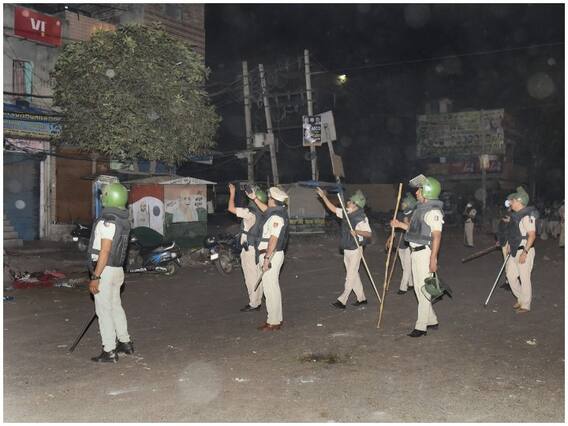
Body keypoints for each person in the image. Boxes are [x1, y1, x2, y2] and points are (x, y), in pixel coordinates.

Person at [391, 176, 443, 337]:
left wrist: (433, 259)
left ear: (427, 192)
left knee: (423, 290)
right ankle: (432, 320)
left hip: (424, 253)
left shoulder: (433, 211)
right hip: (415, 253)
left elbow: (436, 236)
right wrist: (399, 225)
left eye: (420, 189)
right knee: (419, 290)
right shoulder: (420, 209)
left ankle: (421, 327)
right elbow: (414, 230)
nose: (416, 192)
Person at [87, 182, 133, 363]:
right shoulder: (123, 220)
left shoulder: (107, 221)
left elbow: (104, 251)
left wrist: (95, 277)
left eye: (104, 194)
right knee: (115, 307)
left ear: (108, 197)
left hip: (105, 271)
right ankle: (125, 342)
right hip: (118, 269)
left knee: (104, 311)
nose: (101, 197)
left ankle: (109, 351)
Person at [316, 188, 372, 309]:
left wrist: (357, 232)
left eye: (350, 202)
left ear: (356, 205)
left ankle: (342, 300)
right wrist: (324, 197)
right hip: (347, 247)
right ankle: (362, 298)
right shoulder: (347, 213)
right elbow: (333, 209)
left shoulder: (361, 218)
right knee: (353, 274)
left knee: (350, 276)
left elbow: (368, 234)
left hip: (356, 249)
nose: (348, 202)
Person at [250, 187, 289, 331]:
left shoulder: (276, 217)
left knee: (270, 289)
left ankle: (273, 321)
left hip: (271, 254)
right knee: (272, 287)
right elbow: (266, 209)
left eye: (269, 198)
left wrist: (267, 259)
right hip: (271, 254)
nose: (268, 199)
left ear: (273, 200)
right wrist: (255, 198)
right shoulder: (276, 212)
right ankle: (276, 318)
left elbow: (273, 239)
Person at [227, 183, 267, 312]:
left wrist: (232, 193)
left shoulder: (250, 213)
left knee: (250, 277)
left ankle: (254, 304)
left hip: (249, 249)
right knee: (258, 275)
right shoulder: (264, 212)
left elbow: (231, 208)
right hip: (259, 247)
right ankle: (258, 300)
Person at [503, 186, 538, 314]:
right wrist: (508, 244)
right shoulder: (516, 216)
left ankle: (526, 305)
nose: (510, 203)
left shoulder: (527, 216)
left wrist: (525, 252)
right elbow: (514, 233)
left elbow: (532, 235)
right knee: (510, 276)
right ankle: (521, 298)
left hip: (524, 250)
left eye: (512, 201)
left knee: (524, 278)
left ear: (519, 201)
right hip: (514, 250)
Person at [386, 193, 416, 295]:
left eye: (404, 203)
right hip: (400, 243)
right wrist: (390, 238)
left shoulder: (414, 215)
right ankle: (411, 283)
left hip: (408, 245)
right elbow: (395, 228)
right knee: (405, 266)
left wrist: (406, 222)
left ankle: (403, 287)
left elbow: (413, 230)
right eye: (402, 202)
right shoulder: (400, 214)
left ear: (410, 204)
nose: (402, 204)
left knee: (406, 267)